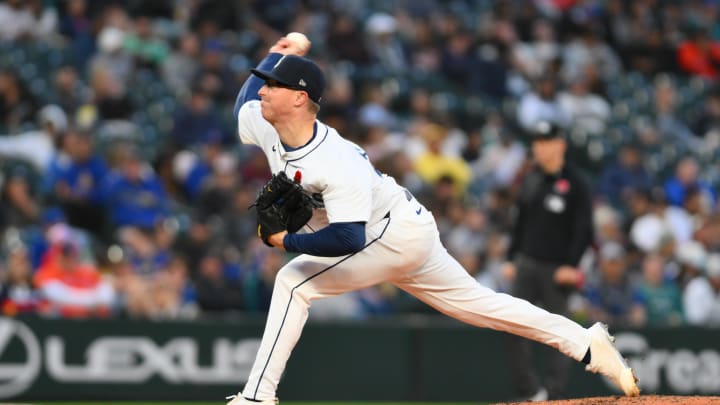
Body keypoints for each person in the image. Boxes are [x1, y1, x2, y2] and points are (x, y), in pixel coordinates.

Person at [225, 34, 639, 405]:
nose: (262, 90)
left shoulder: (335, 162)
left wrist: (285, 242)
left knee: (293, 281)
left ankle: (258, 397)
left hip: (389, 234)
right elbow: (242, 105)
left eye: (273, 84)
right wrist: (275, 55)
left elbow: (349, 238)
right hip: (403, 229)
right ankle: (586, 343)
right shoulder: (266, 123)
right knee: (483, 305)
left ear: (300, 98)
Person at [501, 120, 595, 400]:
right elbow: (520, 222)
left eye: (546, 141)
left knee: (561, 334)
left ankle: (554, 394)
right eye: (537, 142)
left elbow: (584, 229)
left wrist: (572, 264)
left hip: (557, 269)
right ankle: (530, 392)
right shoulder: (531, 178)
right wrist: (510, 257)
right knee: (512, 327)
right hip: (527, 264)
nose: (540, 147)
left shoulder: (577, 183)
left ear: (560, 144)